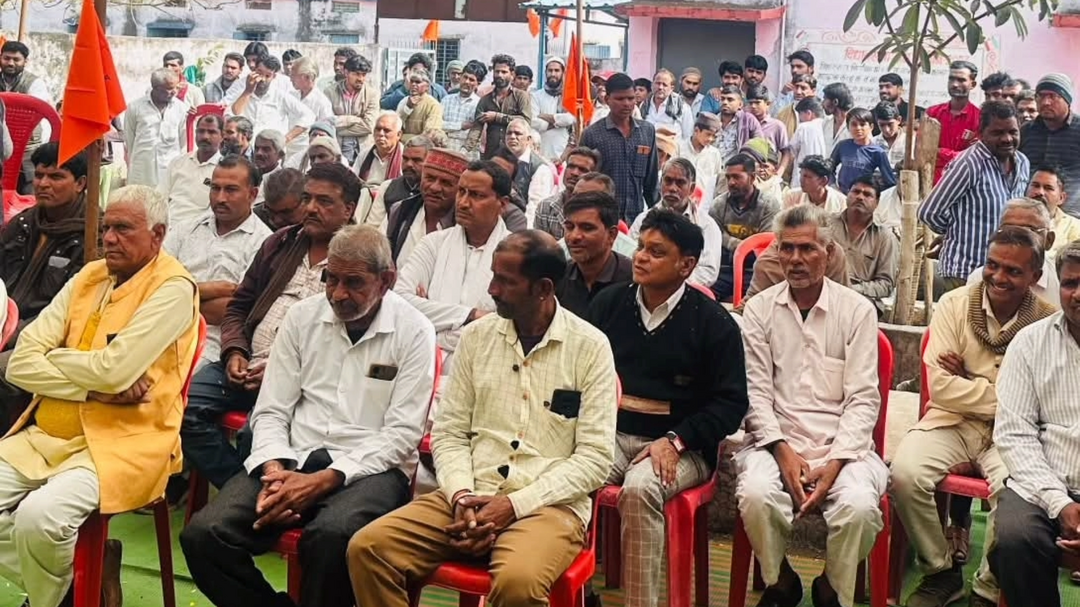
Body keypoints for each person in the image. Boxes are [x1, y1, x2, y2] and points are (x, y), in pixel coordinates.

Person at [348, 229, 618, 607]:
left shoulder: (590, 347)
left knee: (518, 583)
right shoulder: (477, 337)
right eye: (493, 276)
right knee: (369, 548)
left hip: (547, 505)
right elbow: (450, 433)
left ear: (543, 288)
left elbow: (594, 460)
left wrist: (513, 505)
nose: (491, 289)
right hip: (470, 492)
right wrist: (461, 495)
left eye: (505, 281)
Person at [181, 224, 436, 607]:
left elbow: (401, 435)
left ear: (386, 281)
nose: (338, 293)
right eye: (331, 279)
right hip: (293, 457)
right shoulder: (302, 317)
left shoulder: (414, 331)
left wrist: (324, 480)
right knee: (203, 535)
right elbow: (271, 409)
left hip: (371, 469)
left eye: (353, 283)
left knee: (332, 537)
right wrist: (273, 471)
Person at [0, 185, 199, 607]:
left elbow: (115, 370)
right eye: (107, 227)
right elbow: (19, 365)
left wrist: (57, 358)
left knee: (39, 518)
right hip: (46, 434)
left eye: (123, 229)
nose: (109, 238)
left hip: (125, 441)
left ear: (158, 235)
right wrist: (92, 385)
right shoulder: (89, 276)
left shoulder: (173, 289)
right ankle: (74, 592)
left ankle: (56, 597)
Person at [586, 209, 748, 607]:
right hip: (610, 434)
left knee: (641, 488)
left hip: (683, 446)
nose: (641, 257)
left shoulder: (714, 323)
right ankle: (578, 594)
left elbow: (731, 404)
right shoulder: (608, 305)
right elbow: (577, 376)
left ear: (686, 265)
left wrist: (676, 440)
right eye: (641, 247)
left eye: (656, 252)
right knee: (570, 474)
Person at [893, 226, 1057, 607]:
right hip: (951, 422)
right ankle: (940, 571)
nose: (999, 277)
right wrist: (1007, 393)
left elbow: (1041, 403)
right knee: (905, 473)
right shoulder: (954, 305)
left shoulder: (1047, 322)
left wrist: (969, 379)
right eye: (992, 265)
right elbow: (941, 387)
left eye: (1013, 271)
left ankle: (987, 588)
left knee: (1017, 495)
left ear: (1035, 276)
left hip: (1015, 433)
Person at [738, 203, 887, 607]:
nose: (795, 259)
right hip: (775, 442)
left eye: (807, 249)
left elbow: (863, 398)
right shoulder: (760, 310)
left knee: (859, 508)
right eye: (786, 249)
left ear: (829, 251)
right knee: (755, 494)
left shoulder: (857, 311)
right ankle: (780, 580)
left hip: (843, 448)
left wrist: (836, 462)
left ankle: (831, 587)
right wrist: (781, 449)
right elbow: (756, 393)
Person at [181, 163, 361, 492]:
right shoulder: (280, 243)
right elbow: (239, 307)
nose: (311, 208)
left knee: (256, 436)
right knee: (182, 408)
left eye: (324, 201)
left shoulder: (360, 258)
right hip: (248, 363)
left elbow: (355, 341)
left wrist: (282, 370)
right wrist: (235, 351)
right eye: (307, 198)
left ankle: (250, 498)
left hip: (307, 379)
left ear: (348, 209)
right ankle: (245, 493)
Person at [990, 240, 1080, 607]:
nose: (1078, 293)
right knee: (1015, 539)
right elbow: (1015, 434)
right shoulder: (1029, 343)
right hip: (1044, 484)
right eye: (1071, 283)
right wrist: (1060, 503)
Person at [394, 160, 511, 371]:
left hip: (486, 367)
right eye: (461, 192)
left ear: (502, 204)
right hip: (424, 363)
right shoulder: (433, 243)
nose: (463, 203)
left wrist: (431, 316)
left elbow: (507, 324)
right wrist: (471, 315)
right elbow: (400, 301)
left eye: (476, 195)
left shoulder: (516, 255)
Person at [165, 155, 272, 370]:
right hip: (161, 333)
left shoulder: (263, 243)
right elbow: (153, 285)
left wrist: (172, 299)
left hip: (213, 348)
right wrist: (213, 289)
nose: (220, 198)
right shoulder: (185, 229)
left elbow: (232, 309)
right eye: (215, 188)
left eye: (231, 190)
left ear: (252, 194)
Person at [920, 101, 1030, 293]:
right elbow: (928, 211)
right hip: (964, 272)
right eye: (997, 133)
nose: (1007, 139)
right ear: (982, 133)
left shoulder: (1022, 163)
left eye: (1013, 132)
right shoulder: (969, 163)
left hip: (1001, 273)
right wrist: (954, 231)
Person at [630, 158, 724, 287]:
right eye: (668, 181)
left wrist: (668, 282)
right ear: (660, 183)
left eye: (680, 183)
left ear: (691, 188)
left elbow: (708, 272)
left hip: (686, 291)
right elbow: (629, 256)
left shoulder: (706, 226)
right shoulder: (642, 220)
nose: (672, 188)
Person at [580, 73, 659, 222]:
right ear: (607, 99)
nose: (626, 104)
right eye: (620, 99)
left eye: (631, 98)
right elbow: (583, 181)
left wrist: (656, 215)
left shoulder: (647, 131)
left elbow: (652, 182)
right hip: (602, 218)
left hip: (636, 219)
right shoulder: (592, 135)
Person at [709, 153, 781, 301]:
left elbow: (764, 243)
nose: (731, 182)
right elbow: (713, 234)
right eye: (728, 177)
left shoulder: (768, 205)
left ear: (752, 178)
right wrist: (742, 245)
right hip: (723, 270)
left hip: (754, 270)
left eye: (737, 177)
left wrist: (730, 242)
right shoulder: (719, 204)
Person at [384, 148, 469, 267]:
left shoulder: (465, 227)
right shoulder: (400, 210)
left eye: (446, 183)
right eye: (430, 178)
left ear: (460, 190)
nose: (434, 188)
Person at [965, 198, 1061, 301]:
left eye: (1028, 231)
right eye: (1008, 231)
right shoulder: (978, 279)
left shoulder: (1062, 282)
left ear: (1049, 240)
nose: (1015, 240)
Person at [828, 176, 897, 312]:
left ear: (877, 203)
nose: (860, 197)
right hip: (825, 292)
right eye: (856, 191)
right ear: (847, 195)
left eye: (867, 194)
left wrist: (850, 289)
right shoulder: (825, 224)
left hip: (859, 299)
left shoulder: (885, 238)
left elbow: (886, 284)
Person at [556, 191, 632, 316]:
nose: (574, 236)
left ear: (611, 235)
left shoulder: (633, 281)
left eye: (587, 228)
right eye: (569, 227)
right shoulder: (559, 277)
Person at [231, 55, 315, 161]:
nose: (262, 79)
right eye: (259, 73)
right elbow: (234, 114)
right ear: (254, 70)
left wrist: (286, 138)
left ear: (274, 76)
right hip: (246, 152)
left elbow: (308, 116)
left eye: (267, 76)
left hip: (272, 154)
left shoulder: (281, 96)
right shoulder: (242, 92)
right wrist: (248, 91)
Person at [1019, 73, 1080, 218]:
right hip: (1031, 212)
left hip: (1072, 215)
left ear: (1067, 100)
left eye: (1053, 96)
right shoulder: (1026, 131)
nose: (1046, 102)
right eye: (1041, 96)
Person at [0, 41, 54, 193]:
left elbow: (34, 110)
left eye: (16, 59)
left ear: (25, 61)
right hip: (1, 145)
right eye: (6, 58)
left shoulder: (35, 83)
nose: (11, 63)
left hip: (27, 147)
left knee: (31, 189)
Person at [124, 68, 186, 187]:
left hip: (170, 170)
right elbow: (129, 140)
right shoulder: (135, 107)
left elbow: (184, 141)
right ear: (156, 88)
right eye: (169, 89)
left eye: (175, 87)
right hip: (142, 172)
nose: (174, 92)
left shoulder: (181, 108)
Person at [159, 114, 224, 226]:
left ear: (222, 136)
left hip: (199, 228)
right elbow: (160, 197)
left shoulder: (224, 170)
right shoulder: (178, 162)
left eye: (212, 132)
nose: (205, 137)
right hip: (168, 224)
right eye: (201, 131)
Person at [466, 54, 533, 160]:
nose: (499, 75)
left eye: (504, 72)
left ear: (512, 74)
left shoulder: (521, 96)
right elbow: (476, 128)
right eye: (497, 71)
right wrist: (465, 150)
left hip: (515, 156)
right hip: (491, 155)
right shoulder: (485, 100)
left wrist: (497, 117)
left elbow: (525, 121)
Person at [356, 135, 431, 229]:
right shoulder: (387, 187)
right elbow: (373, 227)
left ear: (429, 162)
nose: (409, 164)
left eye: (417, 160)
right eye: (405, 159)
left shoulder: (432, 193)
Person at [927, 61, 981, 184]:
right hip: (931, 182)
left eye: (961, 80)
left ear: (972, 84)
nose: (955, 84)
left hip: (964, 182)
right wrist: (957, 154)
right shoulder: (932, 113)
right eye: (951, 79)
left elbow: (974, 156)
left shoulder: (980, 118)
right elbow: (925, 151)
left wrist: (940, 152)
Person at [534, 146, 601, 239]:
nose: (574, 173)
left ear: (593, 176)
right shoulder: (546, 207)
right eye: (571, 167)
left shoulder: (599, 211)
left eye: (582, 170)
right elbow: (538, 245)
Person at [326, 54, 378, 165]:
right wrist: (354, 119)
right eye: (356, 74)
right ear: (346, 72)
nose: (361, 79)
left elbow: (369, 126)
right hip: (336, 148)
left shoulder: (372, 94)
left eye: (363, 75)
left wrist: (339, 126)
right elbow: (327, 123)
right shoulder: (330, 92)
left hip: (363, 150)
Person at [829, 108, 896, 194]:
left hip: (863, 196)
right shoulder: (842, 146)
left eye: (862, 124)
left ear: (871, 127)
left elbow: (889, 181)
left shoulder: (877, 152)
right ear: (848, 127)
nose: (858, 128)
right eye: (854, 124)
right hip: (842, 194)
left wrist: (875, 194)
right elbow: (829, 168)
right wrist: (833, 186)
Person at [503, 118, 555, 224]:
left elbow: (535, 207)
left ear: (528, 139)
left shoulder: (540, 168)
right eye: (509, 133)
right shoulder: (500, 161)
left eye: (517, 133)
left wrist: (522, 230)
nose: (512, 137)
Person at [531, 56, 575, 162]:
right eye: (550, 70)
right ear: (545, 72)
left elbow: (571, 119)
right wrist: (560, 122)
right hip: (541, 150)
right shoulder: (536, 96)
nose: (553, 74)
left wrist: (544, 116)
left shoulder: (569, 96)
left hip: (563, 152)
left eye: (557, 70)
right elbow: (533, 122)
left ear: (563, 73)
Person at [1028, 165, 1080, 255]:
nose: (1040, 192)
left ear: (1061, 198)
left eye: (1048, 188)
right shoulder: (1011, 220)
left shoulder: (1075, 229)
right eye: (1035, 186)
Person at [709, 85, 764, 165]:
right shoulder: (712, 120)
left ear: (740, 104)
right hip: (712, 167)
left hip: (736, 168)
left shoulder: (747, 120)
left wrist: (746, 163)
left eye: (730, 100)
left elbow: (759, 144)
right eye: (722, 99)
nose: (725, 102)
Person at [747, 85, 792, 179]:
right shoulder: (744, 124)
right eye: (750, 103)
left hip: (767, 174)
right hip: (747, 173)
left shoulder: (777, 126)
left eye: (757, 103)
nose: (753, 106)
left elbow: (786, 152)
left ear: (768, 104)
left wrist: (779, 173)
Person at [677, 112, 723, 203]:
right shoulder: (679, 148)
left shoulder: (714, 154)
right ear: (696, 130)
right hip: (681, 200)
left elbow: (717, 181)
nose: (710, 139)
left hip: (704, 202)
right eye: (708, 134)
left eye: (714, 136)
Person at [379, 52, 448, 111]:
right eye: (415, 70)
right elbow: (384, 105)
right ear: (409, 70)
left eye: (422, 71)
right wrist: (405, 89)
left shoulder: (438, 90)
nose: (418, 73)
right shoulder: (398, 86)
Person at [352, 111, 404, 187]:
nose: (381, 134)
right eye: (378, 129)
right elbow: (353, 180)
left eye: (386, 130)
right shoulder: (364, 154)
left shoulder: (405, 156)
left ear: (399, 135)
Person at [442, 61, 484, 152]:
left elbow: (475, 132)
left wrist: (449, 127)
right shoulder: (446, 100)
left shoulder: (479, 104)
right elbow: (439, 124)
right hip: (445, 147)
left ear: (478, 83)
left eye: (471, 80)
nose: (466, 82)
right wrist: (460, 126)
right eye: (465, 77)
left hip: (467, 151)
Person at [642, 69, 694, 141]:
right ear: (652, 85)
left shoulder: (682, 107)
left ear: (671, 88)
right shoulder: (644, 105)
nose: (660, 87)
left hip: (672, 147)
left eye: (665, 85)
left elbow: (688, 136)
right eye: (658, 83)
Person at [396, 68, 443, 143]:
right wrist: (408, 108)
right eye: (412, 81)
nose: (413, 84)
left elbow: (429, 134)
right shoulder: (404, 101)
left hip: (422, 146)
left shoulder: (433, 105)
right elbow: (395, 126)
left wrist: (403, 137)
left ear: (427, 86)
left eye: (417, 82)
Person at [288, 57, 333, 125]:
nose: (291, 79)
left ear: (307, 77)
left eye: (293, 76)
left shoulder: (322, 103)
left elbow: (327, 128)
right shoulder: (291, 96)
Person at [772, 50, 816, 117]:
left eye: (799, 66)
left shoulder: (821, 92)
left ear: (811, 69)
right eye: (792, 67)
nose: (794, 70)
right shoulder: (788, 91)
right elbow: (775, 115)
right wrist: (783, 95)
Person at [790, 96, 828, 167]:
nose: (799, 119)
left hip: (803, 171)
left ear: (808, 113)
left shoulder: (803, 127)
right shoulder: (828, 127)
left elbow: (792, 152)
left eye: (800, 114)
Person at [778, 74, 818, 139]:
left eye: (803, 88)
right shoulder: (786, 111)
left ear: (813, 91)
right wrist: (782, 94)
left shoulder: (819, 111)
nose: (798, 92)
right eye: (796, 87)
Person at [872, 101, 908, 170]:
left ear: (899, 120)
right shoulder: (872, 143)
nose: (886, 130)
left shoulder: (911, 143)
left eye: (890, 124)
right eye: (882, 125)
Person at [821, 83, 854, 157]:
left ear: (835, 102)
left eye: (825, 99)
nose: (822, 104)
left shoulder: (855, 124)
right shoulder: (826, 123)